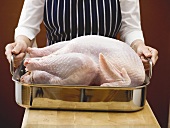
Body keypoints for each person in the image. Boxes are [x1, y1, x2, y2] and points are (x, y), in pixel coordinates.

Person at [5, 0, 158, 70]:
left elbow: (130, 28)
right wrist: (20, 44)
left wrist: (139, 47)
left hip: (107, 70)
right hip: (57, 69)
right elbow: (27, 27)